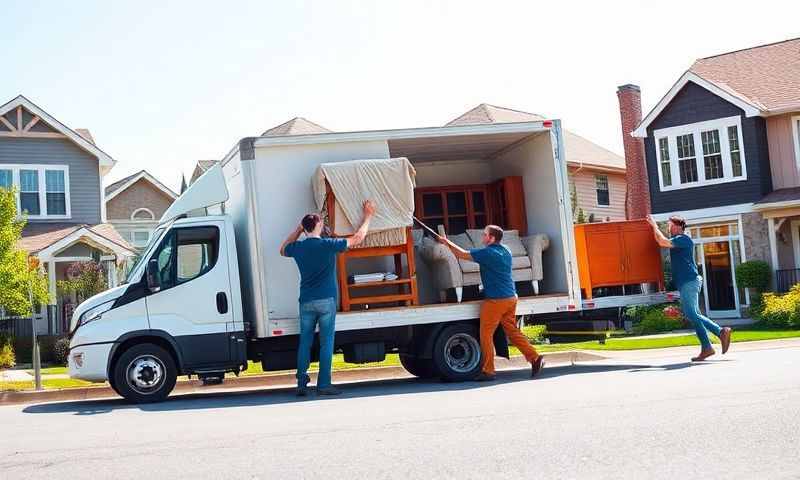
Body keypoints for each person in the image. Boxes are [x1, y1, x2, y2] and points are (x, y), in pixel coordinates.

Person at [280, 200, 377, 396]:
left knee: (305, 342)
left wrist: (298, 230)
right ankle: (323, 385)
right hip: (326, 301)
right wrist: (368, 215)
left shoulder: (298, 248)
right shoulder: (328, 245)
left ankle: (301, 383)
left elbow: (282, 249)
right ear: (318, 226)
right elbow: (358, 238)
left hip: (306, 301)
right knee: (326, 343)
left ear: (304, 228)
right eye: (321, 223)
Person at [438, 225, 545, 381]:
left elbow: (461, 254)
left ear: (492, 238)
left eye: (485, 234)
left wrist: (445, 242)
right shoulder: (506, 250)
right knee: (512, 331)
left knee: (486, 334)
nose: (483, 237)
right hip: (511, 297)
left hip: (496, 300)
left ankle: (488, 371)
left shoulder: (488, 253)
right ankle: (535, 358)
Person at [646, 214, 732, 361]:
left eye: (670, 225)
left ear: (678, 226)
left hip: (689, 281)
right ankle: (706, 348)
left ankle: (720, 331)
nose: (669, 228)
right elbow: (662, 240)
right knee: (695, 315)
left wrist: (654, 225)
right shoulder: (678, 240)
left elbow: (661, 241)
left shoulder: (683, 239)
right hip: (687, 282)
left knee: (691, 313)